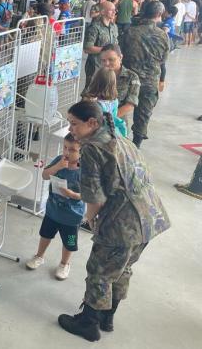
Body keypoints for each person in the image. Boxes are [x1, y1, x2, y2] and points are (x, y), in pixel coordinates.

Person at [58, 100, 170, 342]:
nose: (71, 129)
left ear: (92, 123)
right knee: (123, 268)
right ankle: (107, 317)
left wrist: (91, 220)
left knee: (99, 272)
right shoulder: (121, 138)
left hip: (122, 223)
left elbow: (94, 196)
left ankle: (88, 323)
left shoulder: (93, 149)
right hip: (151, 217)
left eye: (74, 124)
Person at [26, 133, 84, 280]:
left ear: (82, 151)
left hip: (72, 217)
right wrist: (57, 167)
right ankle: (39, 256)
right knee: (45, 234)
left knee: (69, 242)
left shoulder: (84, 171)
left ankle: (65, 264)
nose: (66, 152)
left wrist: (71, 194)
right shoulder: (59, 160)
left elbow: (88, 195)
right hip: (52, 211)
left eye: (72, 150)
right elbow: (45, 175)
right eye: (65, 147)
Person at [121, 1, 170, 148]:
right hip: (150, 82)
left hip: (129, 80)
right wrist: (161, 79)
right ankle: (136, 145)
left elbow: (120, 53)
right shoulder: (163, 36)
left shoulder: (130, 32)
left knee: (121, 110)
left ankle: (120, 139)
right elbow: (163, 60)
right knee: (143, 114)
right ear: (159, 14)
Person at [99, 44, 140, 136]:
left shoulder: (131, 77)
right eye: (103, 60)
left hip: (117, 124)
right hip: (96, 122)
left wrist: (107, 120)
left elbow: (130, 105)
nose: (107, 63)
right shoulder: (99, 75)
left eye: (111, 59)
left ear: (120, 57)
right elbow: (89, 95)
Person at [83, 1, 119, 89]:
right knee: (90, 92)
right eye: (111, 10)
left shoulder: (114, 27)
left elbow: (116, 43)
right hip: (96, 66)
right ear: (102, 12)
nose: (114, 12)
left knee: (106, 91)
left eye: (115, 10)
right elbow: (87, 48)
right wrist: (107, 50)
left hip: (111, 65)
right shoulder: (94, 27)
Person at [85, 68, 128, 137]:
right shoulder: (115, 101)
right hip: (113, 132)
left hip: (98, 135)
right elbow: (114, 117)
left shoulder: (94, 104)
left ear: (95, 82)